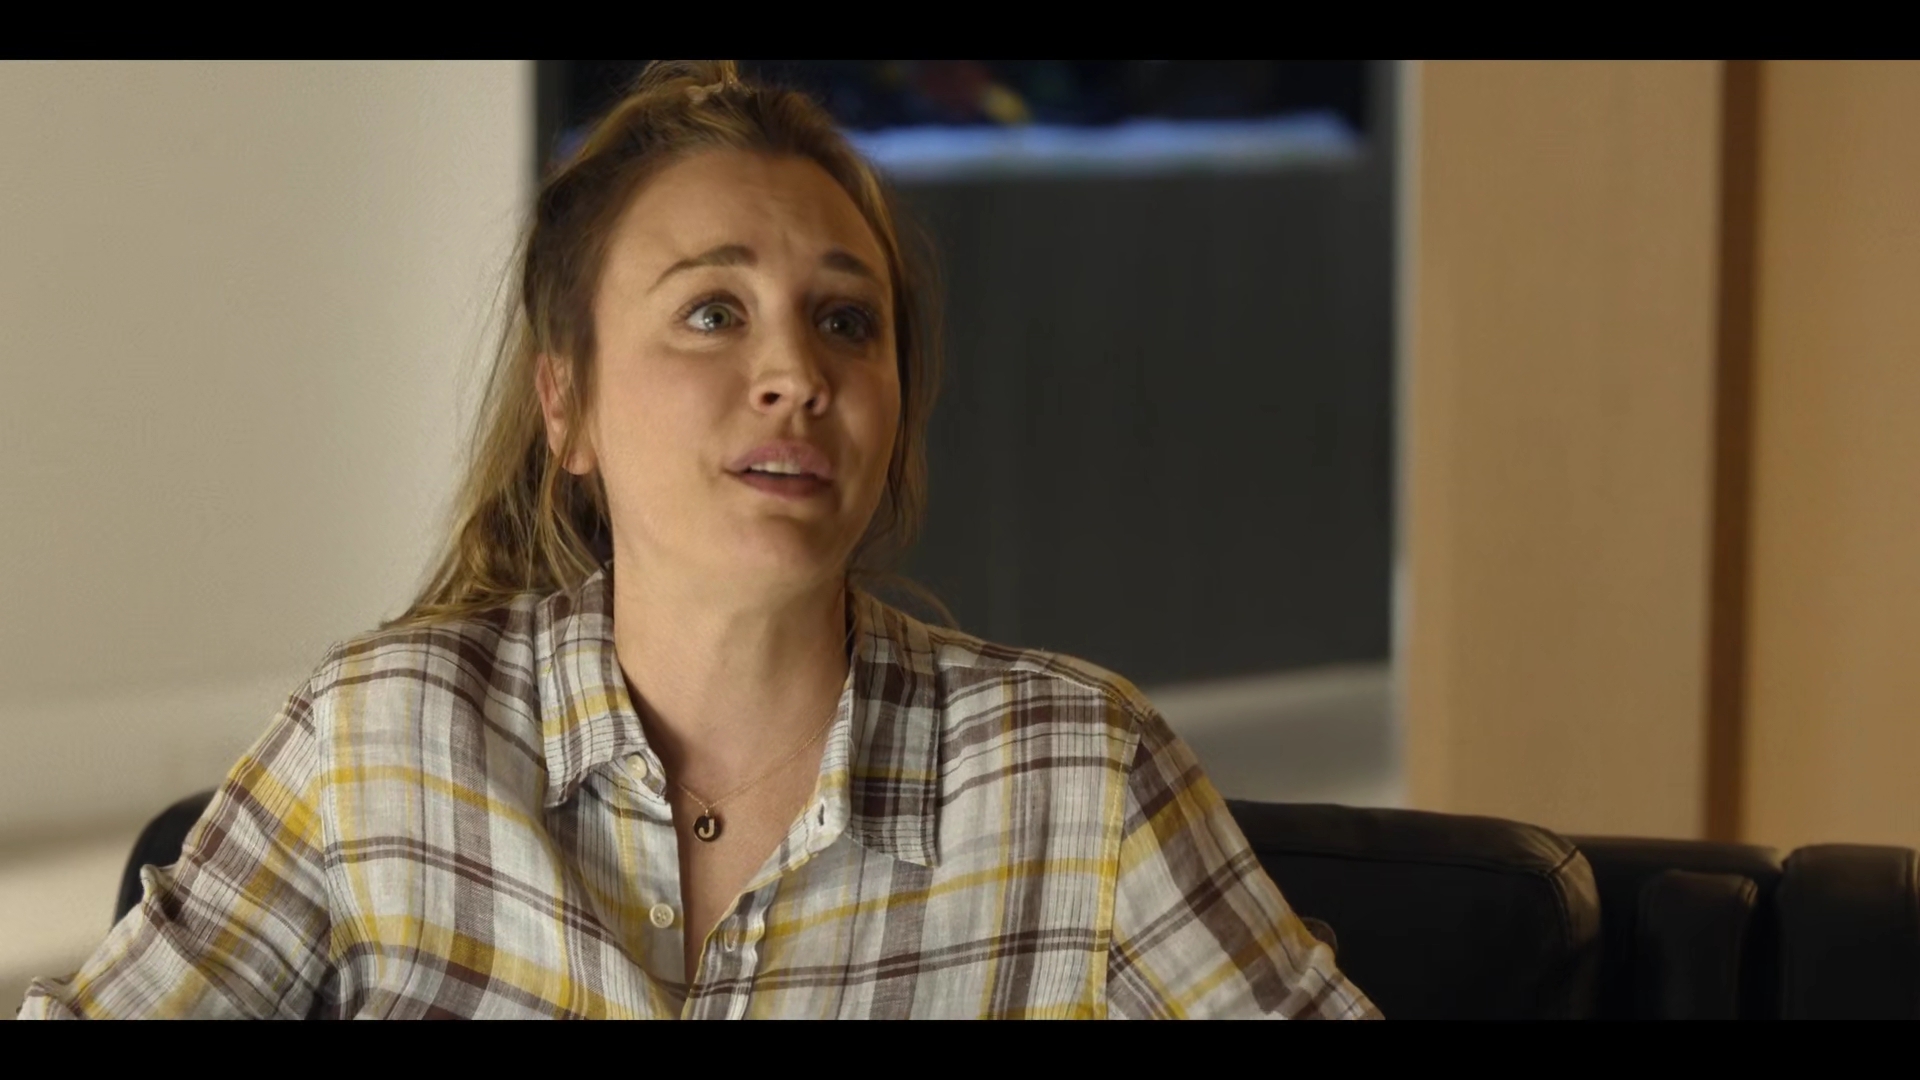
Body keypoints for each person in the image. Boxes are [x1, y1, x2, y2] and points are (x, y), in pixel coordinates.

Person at [17, 60, 1378, 1020]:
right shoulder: (381, 740)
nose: (795, 374)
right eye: (713, 314)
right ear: (567, 405)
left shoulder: (1079, 778)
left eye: (845, 321)